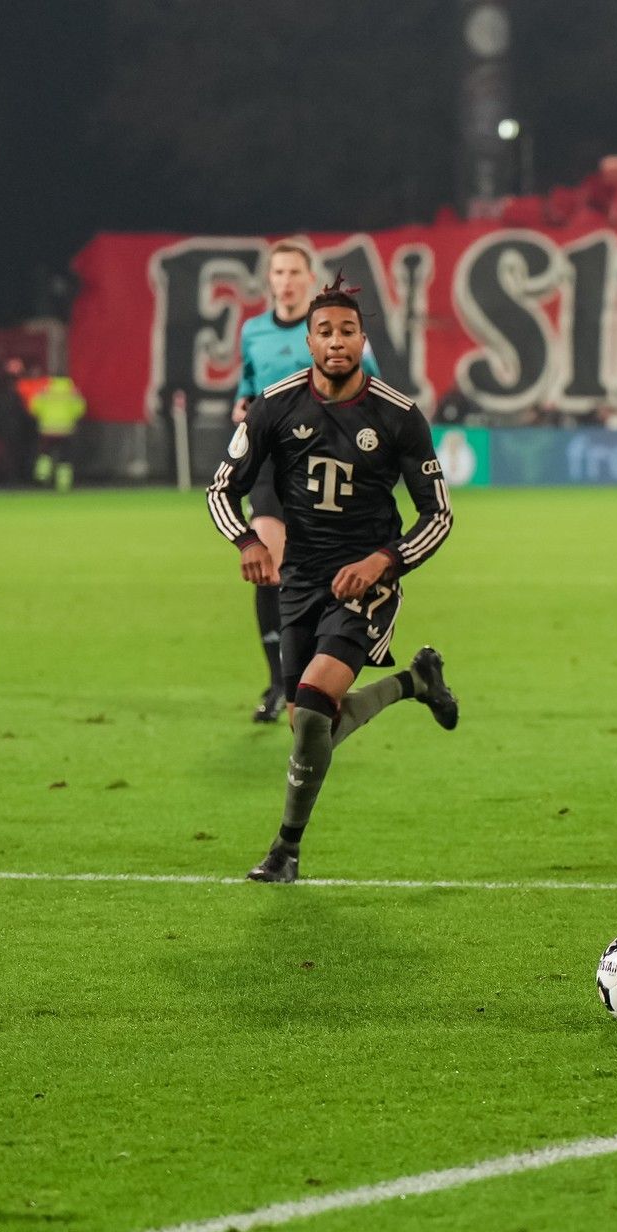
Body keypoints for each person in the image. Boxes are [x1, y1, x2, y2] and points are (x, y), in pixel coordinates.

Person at [207, 274, 459, 883]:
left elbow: (438, 515)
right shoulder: (275, 406)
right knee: (308, 724)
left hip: (366, 582)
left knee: (316, 706)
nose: (336, 341)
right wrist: (246, 540)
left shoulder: (398, 415)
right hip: (300, 582)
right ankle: (415, 682)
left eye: (348, 331)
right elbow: (221, 489)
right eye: (325, 331)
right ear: (310, 342)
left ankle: (285, 850)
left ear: (362, 340)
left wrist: (384, 562)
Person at [234, 239, 383, 724]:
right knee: (270, 562)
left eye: (294, 272)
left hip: (327, 463)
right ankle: (279, 682)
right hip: (272, 460)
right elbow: (246, 386)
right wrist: (243, 408)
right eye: (278, 272)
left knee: (320, 568)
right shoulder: (253, 332)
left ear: (308, 277)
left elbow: (372, 385)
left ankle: (316, 670)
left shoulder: (330, 328)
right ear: (269, 279)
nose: (285, 281)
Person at [28, 374, 87, 491]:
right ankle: (63, 484)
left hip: (47, 430)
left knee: (45, 455)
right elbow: (80, 410)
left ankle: (41, 479)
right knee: (65, 458)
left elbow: (34, 408)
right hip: (66, 430)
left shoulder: (45, 390)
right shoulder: (72, 391)